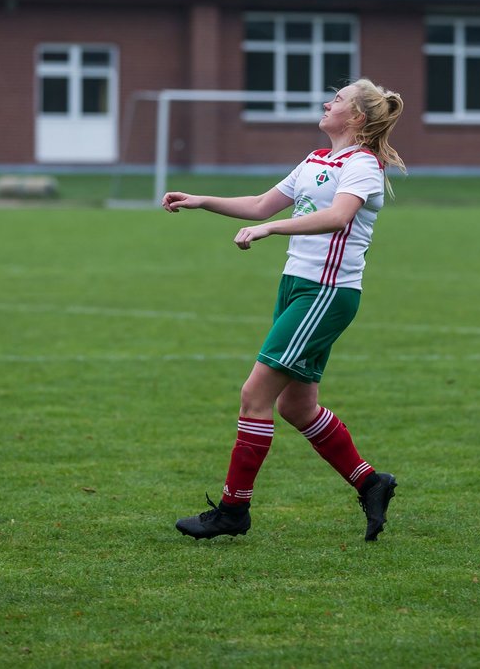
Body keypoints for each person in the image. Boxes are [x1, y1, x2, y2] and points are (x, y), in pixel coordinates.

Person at [163, 78, 406, 542]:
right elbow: (259, 205)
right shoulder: (317, 159)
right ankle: (371, 483)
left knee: (255, 395)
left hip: (326, 293)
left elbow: (338, 216)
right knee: (297, 405)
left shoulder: (363, 165)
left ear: (355, 118)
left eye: (336, 99)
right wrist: (200, 201)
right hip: (297, 287)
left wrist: (273, 231)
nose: (326, 103)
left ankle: (234, 510)